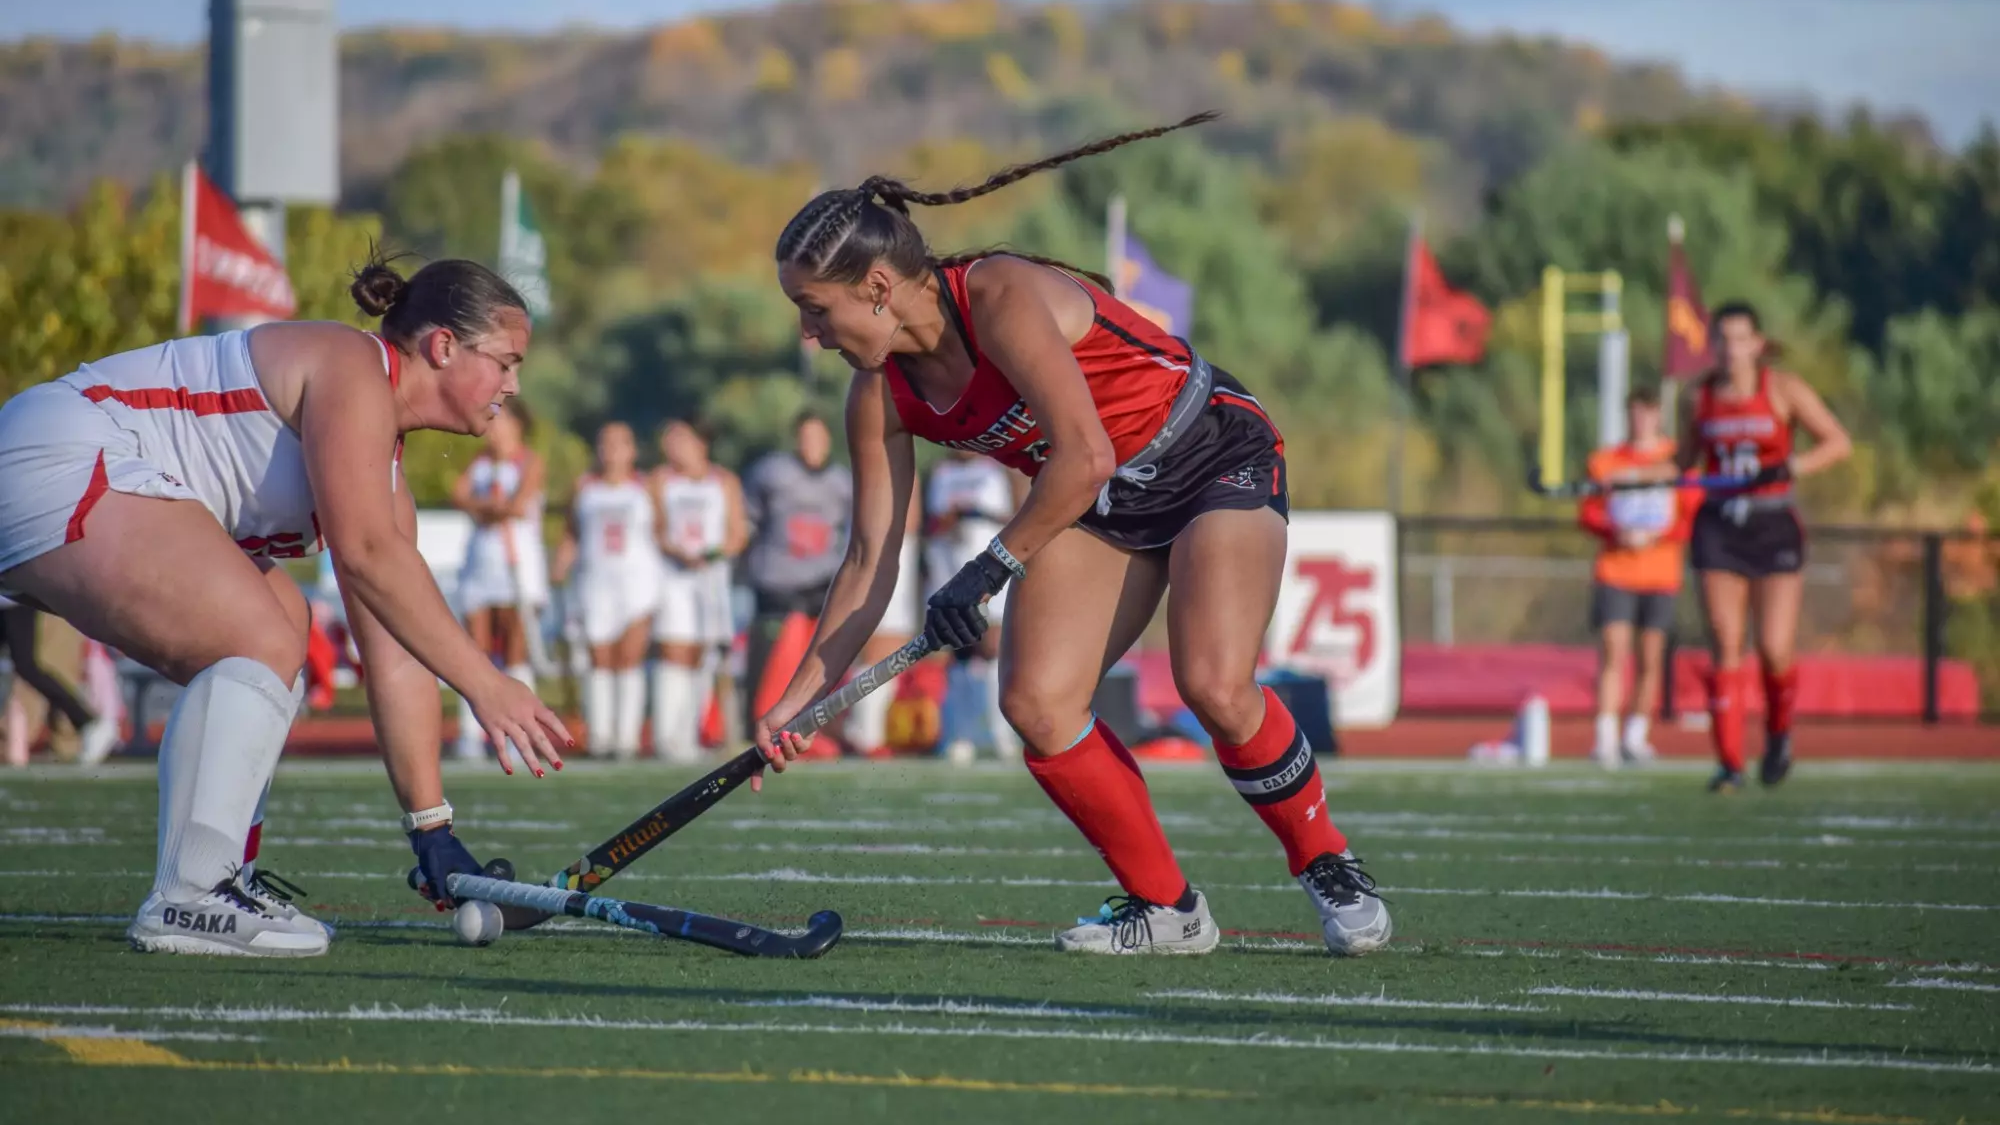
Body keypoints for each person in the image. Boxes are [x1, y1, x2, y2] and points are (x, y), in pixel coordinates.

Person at [756, 113, 1389, 957]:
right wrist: (801, 700)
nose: (809, 333)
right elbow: (872, 557)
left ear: (876, 286)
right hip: (1102, 500)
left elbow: (1085, 454)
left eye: (814, 309)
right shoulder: (877, 395)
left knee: (1214, 683)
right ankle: (1168, 908)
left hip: (1209, 456)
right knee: (1038, 704)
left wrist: (986, 569)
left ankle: (1328, 864)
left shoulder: (1002, 298)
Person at [0, 252, 570, 957]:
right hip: (61, 451)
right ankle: (191, 894)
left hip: (67, 460)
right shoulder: (353, 367)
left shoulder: (380, 468)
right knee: (259, 633)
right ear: (444, 346)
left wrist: (433, 829)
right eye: (507, 362)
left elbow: (395, 648)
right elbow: (365, 552)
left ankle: (218, 882)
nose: (514, 386)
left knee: (284, 626)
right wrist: (487, 685)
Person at [1678, 300, 1850, 791]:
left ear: (1757, 344)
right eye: (1722, 340)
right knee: (1724, 641)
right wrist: (1629, 479)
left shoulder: (1784, 389)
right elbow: (1682, 465)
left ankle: (1778, 734)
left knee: (1774, 648)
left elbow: (1838, 443)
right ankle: (1729, 764)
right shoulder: (1699, 398)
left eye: (1739, 339)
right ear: (1712, 346)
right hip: (1718, 528)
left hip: (1773, 526)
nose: (1730, 350)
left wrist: (1791, 467)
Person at [1578, 389, 1699, 768]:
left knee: (1651, 658)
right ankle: (1605, 736)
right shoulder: (1605, 462)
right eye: (1635, 412)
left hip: (1661, 573)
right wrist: (1617, 531)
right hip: (1616, 569)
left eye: (1648, 412)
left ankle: (1636, 736)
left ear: (1658, 415)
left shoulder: (1677, 461)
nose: (1641, 420)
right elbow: (1589, 513)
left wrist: (1658, 536)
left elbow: (1689, 516)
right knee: (1614, 651)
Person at [739, 411, 852, 741]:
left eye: (818, 437)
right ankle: (760, 726)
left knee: (822, 667)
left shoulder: (842, 481)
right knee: (770, 664)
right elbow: (747, 519)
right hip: (778, 583)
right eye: (805, 437)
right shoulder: (771, 472)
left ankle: (821, 733)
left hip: (821, 584)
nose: (812, 445)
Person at [448, 397, 550, 764]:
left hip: (518, 565)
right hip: (481, 564)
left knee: (515, 650)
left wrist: (484, 506)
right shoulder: (479, 464)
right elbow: (458, 496)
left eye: (503, 422)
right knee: (475, 651)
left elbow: (519, 504)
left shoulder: (529, 461)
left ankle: (524, 731)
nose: (496, 430)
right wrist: (491, 506)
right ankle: (470, 734)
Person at [554, 422, 663, 759]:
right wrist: (559, 565)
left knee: (629, 657)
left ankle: (626, 738)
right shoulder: (585, 487)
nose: (613, 450)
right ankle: (600, 735)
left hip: (637, 581)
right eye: (606, 443)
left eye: (621, 443)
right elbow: (572, 533)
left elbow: (662, 532)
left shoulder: (646, 487)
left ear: (633, 450)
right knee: (599, 658)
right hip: (596, 580)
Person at [651, 419, 746, 763]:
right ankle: (665, 738)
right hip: (673, 576)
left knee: (705, 653)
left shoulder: (724, 481)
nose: (673, 446)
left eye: (681, 439)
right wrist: (677, 552)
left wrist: (713, 553)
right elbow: (657, 529)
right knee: (675, 648)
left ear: (701, 443)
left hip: (711, 579)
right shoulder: (661, 480)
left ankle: (687, 735)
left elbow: (737, 534)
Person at [924, 449, 1026, 762]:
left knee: (993, 647)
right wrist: (950, 519)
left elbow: (1020, 515)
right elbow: (929, 524)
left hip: (990, 574)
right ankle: (960, 735)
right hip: (951, 567)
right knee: (961, 652)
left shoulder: (998, 469)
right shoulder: (940, 472)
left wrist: (976, 512)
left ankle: (1002, 733)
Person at [0, 594, 119, 765]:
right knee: (26, 667)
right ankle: (87, 722)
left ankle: (87, 722)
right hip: (10, 597)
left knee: (27, 666)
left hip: (14, 596)